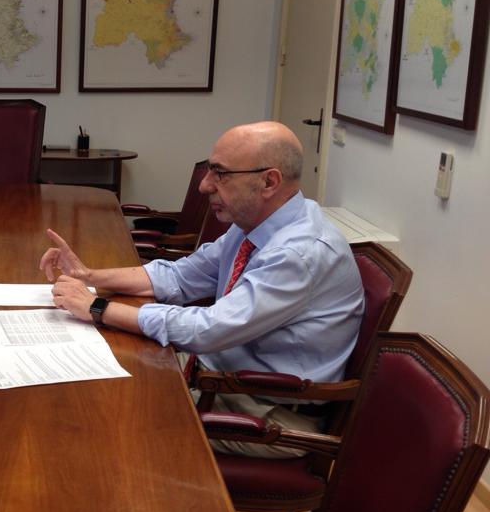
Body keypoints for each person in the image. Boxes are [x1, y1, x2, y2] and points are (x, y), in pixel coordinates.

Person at [39, 121, 364, 458]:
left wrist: (97, 308)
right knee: (87, 380)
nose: (205, 185)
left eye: (220, 174)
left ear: (269, 182)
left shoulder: (298, 253)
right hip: (221, 378)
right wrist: (89, 275)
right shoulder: (258, 224)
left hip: (268, 413)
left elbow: (207, 330)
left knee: (103, 417)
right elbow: (180, 276)